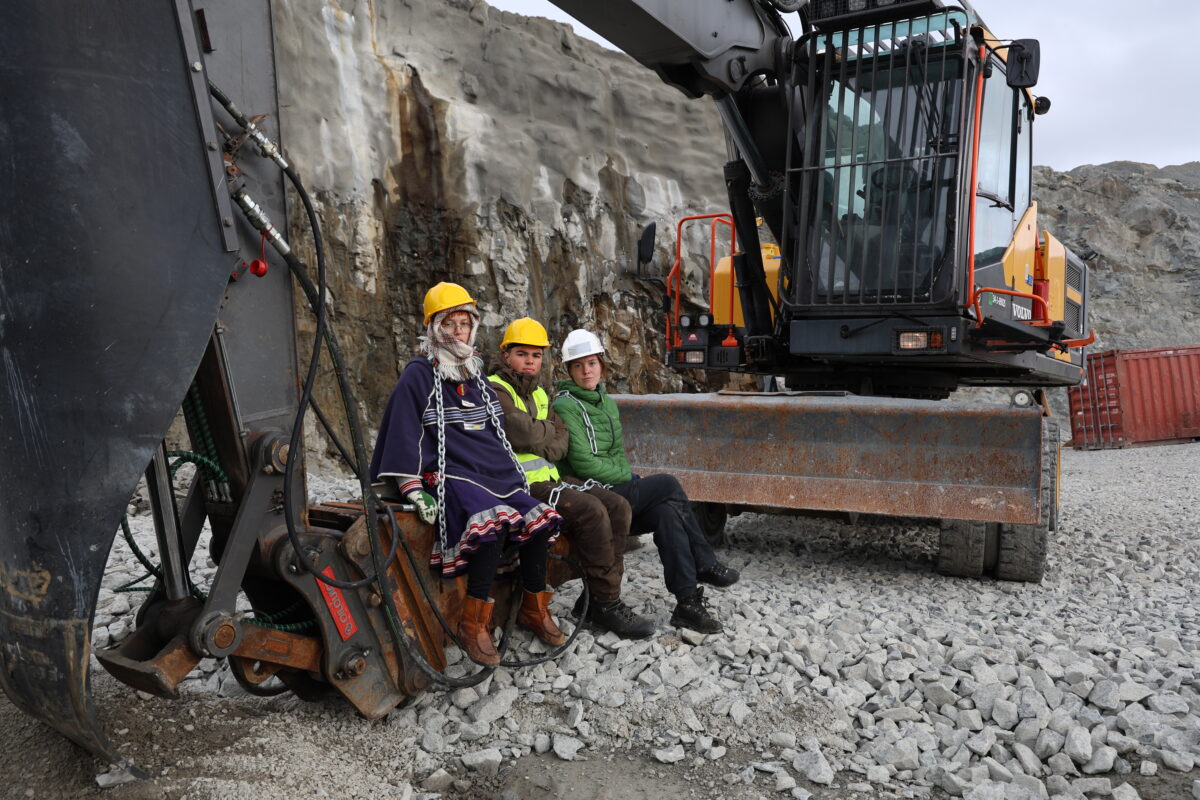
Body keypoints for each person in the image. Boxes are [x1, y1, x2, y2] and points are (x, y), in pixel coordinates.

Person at [370, 282, 566, 666]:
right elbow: (403, 431)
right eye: (450, 324)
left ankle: (534, 608)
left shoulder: (475, 374)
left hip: (491, 472)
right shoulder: (419, 374)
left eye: (464, 323)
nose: (458, 332)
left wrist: (511, 474)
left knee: (539, 521)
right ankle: (473, 623)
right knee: (490, 525)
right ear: (434, 327)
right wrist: (411, 487)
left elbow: (494, 433)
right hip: (449, 473)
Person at [552, 329, 740, 634]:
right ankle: (704, 562)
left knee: (666, 512)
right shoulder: (565, 405)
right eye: (578, 365)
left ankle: (687, 604)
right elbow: (584, 463)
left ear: (601, 365)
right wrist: (629, 478)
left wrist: (626, 476)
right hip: (590, 494)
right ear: (569, 370)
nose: (586, 371)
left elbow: (617, 455)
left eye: (592, 363)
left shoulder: (607, 403)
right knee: (667, 484)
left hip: (614, 491)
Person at [487, 317, 655, 639]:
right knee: (592, 510)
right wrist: (544, 432)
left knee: (618, 506)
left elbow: (560, 443)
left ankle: (597, 598)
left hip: (549, 479)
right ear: (506, 355)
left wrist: (540, 434)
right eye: (522, 354)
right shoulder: (496, 388)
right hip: (520, 485)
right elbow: (520, 432)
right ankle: (606, 603)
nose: (530, 361)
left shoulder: (539, 394)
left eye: (536, 356)